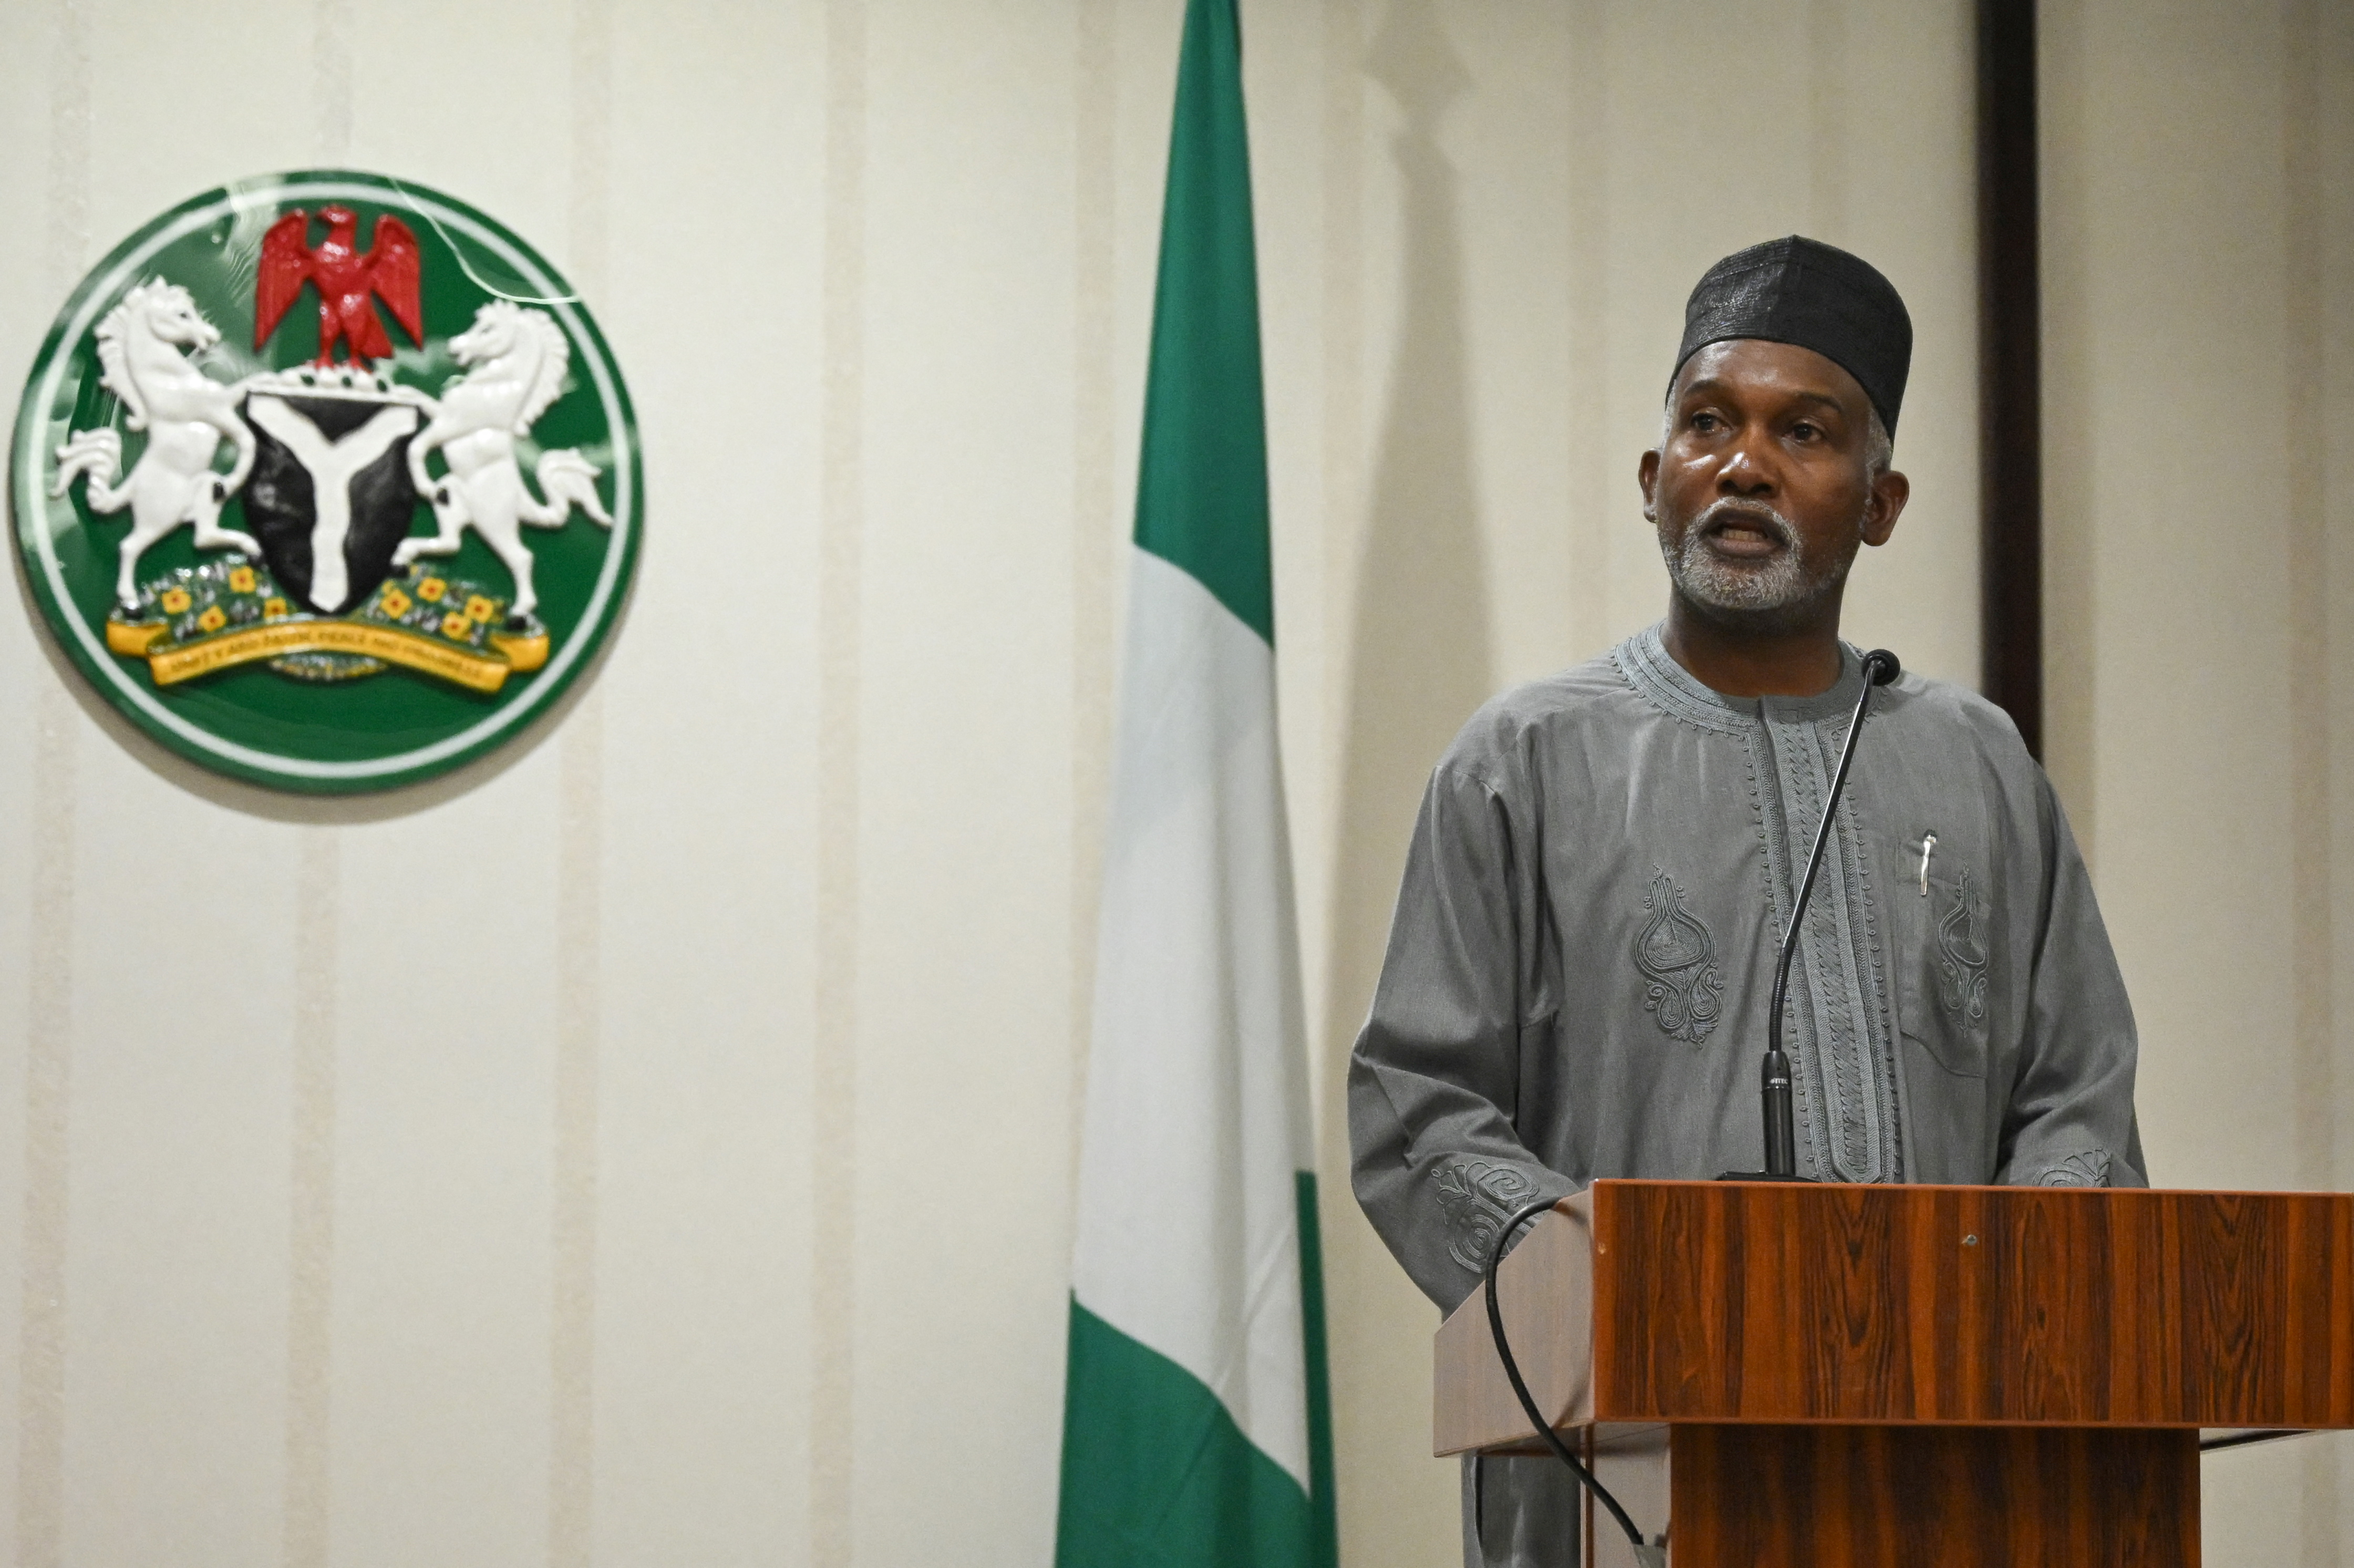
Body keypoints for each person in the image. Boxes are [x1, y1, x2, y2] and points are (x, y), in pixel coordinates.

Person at [1345, 236, 2146, 1567]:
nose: (1744, 462)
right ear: (1652, 481)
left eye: (1804, 431)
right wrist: (1610, 1271)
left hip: (1947, 1486)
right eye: (1706, 422)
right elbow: (1415, 1108)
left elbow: (2078, 1092)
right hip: (1621, 1487)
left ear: (1879, 502)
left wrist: (2021, 1274)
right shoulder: (1525, 760)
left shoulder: (1978, 762)